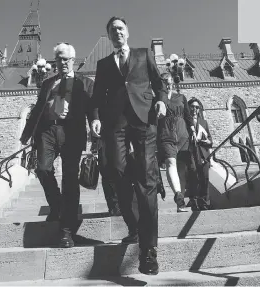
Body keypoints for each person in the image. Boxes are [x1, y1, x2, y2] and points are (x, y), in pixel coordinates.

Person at [90, 16, 167, 275]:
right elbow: (97, 96)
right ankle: (134, 226)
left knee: (146, 183)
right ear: (109, 36)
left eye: (120, 28)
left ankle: (149, 253)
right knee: (117, 173)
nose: (117, 33)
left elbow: (159, 83)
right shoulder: (103, 64)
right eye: (112, 30)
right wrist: (96, 118)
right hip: (116, 125)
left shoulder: (143, 54)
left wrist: (162, 101)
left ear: (127, 32)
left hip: (144, 120)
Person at [20, 43, 94, 248]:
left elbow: (92, 108)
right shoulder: (47, 83)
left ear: (73, 61)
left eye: (65, 59)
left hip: (72, 132)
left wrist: (96, 128)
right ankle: (57, 205)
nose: (61, 62)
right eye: (58, 59)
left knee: (70, 179)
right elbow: (38, 109)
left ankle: (67, 230)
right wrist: (27, 134)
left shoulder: (84, 83)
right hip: (47, 131)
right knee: (43, 169)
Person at [157, 73, 197, 213]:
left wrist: (192, 129)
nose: (169, 85)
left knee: (181, 168)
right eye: (165, 82)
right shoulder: (158, 98)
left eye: (170, 82)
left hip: (183, 135)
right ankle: (178, 195)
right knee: (170, 163)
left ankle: (180, 204)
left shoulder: (181, 97)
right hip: (165, 134)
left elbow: (187, 115)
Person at [187, 97, 213, 211]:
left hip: (204, 154)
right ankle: (195, 203)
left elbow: (210, 139)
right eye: (192, 107)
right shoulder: (185, 121)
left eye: (197, 107)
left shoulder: (204, 122)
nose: (195, 109)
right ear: (188, 108)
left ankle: (205, 203)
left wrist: (208, 142)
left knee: (205, 179)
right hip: (191, 153)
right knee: (194, 178)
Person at [90, 136, 121, 216]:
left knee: (118, 170)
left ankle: (119, 204)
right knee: (106, 171)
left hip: (119, 136)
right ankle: (114, 206)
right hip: (103, 137)